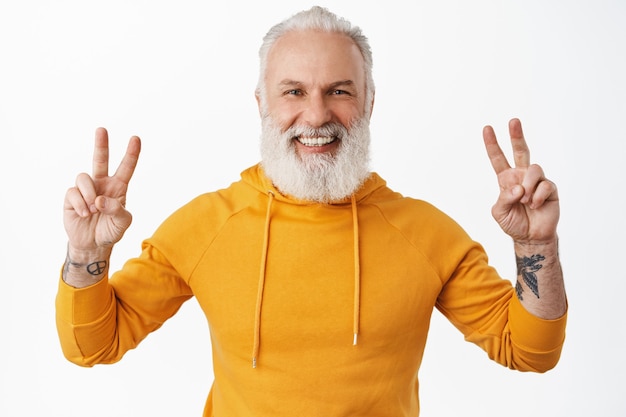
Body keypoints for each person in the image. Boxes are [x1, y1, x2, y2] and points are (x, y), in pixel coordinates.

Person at [56, 6, 567, 416]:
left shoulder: (426, 234)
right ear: (262, 103)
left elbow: (530, 351)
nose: (317, 115)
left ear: (368, 103)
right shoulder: (206, 226)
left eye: (339, 91)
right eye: (294, 91)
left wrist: (535, 246)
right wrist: (85, 252)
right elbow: (92, 346)